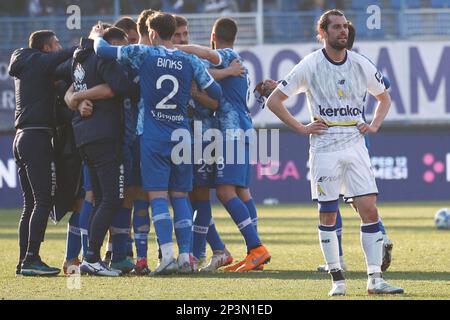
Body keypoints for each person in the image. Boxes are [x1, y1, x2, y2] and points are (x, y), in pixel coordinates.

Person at [266, 9, 404, 296]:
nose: (343, 31)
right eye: (337, 27)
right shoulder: (310, 64)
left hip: (355, 145)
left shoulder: (360, 63)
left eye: (345, 26)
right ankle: (337, 281)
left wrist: (375, 124)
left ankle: (375, 280)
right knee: (327, 213)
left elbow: (384, 96)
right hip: (325, 147)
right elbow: (274, 100)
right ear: (323, 33)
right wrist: (302, 127)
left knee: (369, 209)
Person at [92, 12, 222, 275]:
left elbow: (103, 51)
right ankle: (186, 257)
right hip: (182, 133)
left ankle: (168, 257)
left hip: (153, 134)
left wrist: (95, 36)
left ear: (151, 34)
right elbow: (216, 93)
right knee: (181, 195)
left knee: (158, 195)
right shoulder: (189, 59)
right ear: (173, 31)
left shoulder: (144, 53)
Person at [176, 17, 271, 272]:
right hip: (241, 129)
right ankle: (255, 253)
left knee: (224, 192)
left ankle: (256, 248)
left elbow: (204, 57)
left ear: (214, 36)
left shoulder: (225, 55)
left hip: (231, 133)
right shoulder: (237, 60)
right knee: (241, 191)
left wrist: (175, 49)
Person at [172, 15, 244, 272]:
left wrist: (195, 92)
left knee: (200, 196)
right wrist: (226, 72)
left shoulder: (194, 60)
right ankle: (218, 251)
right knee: (186, 198)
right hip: (174, 137)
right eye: (178, 35)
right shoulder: (167, 61)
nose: (182, 39)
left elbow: (214, 102)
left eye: (185, 34)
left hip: (202, 136)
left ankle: (197, 254)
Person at [68, 26, 138, 277]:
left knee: (99, 198)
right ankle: (91, 257)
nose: (123, 51)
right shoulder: (104, 56)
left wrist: (76, 98)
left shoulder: (79, 57)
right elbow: (119, 86)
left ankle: (91, 257)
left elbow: (71, 91)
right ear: (110, 44)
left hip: (85, 137)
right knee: (112, 198)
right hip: (106, 137)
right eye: (121, 46)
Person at [9, 30, 75, 276]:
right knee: (43, 200)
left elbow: (57, 112)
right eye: (56, 43)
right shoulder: (37, 61)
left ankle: (23, 261)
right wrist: (88, 44)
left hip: (23, 137)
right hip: (36, 137)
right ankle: (32, 259)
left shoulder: (32, 67)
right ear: (46, 48)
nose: (60, 47)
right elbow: (69, 55)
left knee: (30, 204)